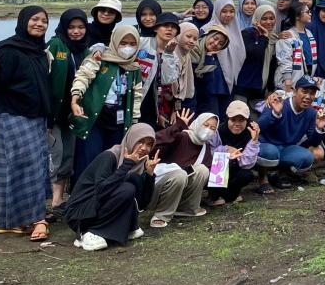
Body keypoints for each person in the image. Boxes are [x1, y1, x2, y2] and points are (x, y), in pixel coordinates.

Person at [0, 6, 53, 241]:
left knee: (34, 164)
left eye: (44, 21)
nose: (39, 24)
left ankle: (13, 221)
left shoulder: (40, 51)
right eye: (34, 19)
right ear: (23, 21)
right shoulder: (7, 48)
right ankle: (36, 219)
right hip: (10, 113)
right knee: (22, 165)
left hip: (34, 115)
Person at [62, 123, 157, 251]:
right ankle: (90, 233)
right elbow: (102, 190)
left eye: (149, 144)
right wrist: (126, 165)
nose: (144, 148)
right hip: (79, 213)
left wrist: (150, 175)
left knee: (132, 183)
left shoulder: (139, 164)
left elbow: (142, 204)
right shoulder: (110, 156)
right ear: (131, 139)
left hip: (96, 206)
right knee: (127, 188)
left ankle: (123, 228)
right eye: (140, 142)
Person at [69, 24, 143, 185]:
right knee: (89, 158)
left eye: (132, 44)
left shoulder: (134, 67)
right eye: (123, 43)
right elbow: (83, 77)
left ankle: (105, 198)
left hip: (118, 121)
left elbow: (137, 96)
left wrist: (134, 123)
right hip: (95, 119)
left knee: (112, 159)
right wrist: (75, 97)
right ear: (115, 41)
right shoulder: (98, 58)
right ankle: (81, 198)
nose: (127, 48)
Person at [46, 8, 89, 214]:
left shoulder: (86, 49)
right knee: (56, 154)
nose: (76, 31)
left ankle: (57, 201)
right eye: (71, 27)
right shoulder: (56, 45)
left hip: (73, 114)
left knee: (67, 157)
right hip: (54, 112)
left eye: (81, 27)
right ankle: (47, 201)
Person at [256, 78, 323, 190]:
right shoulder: (278, 102)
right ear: (294, 91)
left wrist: (319, 129)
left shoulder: (311, 113)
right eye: (304, 91)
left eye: (312, 93)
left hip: (287, 148)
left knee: (307, 157)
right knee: (270, 152)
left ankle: (280, 174)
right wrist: (275, 113)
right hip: (266, 145)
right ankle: (262, 178)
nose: (308, 96)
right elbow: (260, 126)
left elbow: (313, 142)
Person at [149, 108, 212, 228]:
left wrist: (228, 161)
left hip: (180, 186)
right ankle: (161, 215)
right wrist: (177, 126)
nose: (208, 130)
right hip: (159, 185)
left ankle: (186, 208)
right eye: (206, 125)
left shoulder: (205, 147)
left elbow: (212, 177)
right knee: (179, 174)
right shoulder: (182, 136)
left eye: (213, 128)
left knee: (203, 170)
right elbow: (156, 141)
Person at [207, 100, 261, 205]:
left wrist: (254, 142)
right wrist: (225, 150)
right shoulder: (218, 131)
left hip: (236, 169)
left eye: (241, 120)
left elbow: (247, 164)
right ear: (227, 119)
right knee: (220, 160)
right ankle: (214, 195)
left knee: (247, 174)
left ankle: (229, 195)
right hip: (217, 170)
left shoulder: (250, 134)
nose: (237, 124)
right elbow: (209, 153)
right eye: (233, 120)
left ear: (247, 121)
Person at [234, 2, 278, 105]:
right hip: (243, 86)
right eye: (264, 18)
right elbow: (255, 53)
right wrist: (264, 37)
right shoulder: (248, 33)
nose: (268, 22)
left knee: (256, 120)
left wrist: (270, 89)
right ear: (257, 20)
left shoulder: (274, 39)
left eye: (272, 18)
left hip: (260, 89)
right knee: (239, 118)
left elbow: (272, 66)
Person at [192, 23, 233, 125]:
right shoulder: (193, 49)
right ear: (208, 35)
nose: (216, 44)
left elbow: (206, 81)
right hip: (189, 98)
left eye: (220, 44)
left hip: (200, 97)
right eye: (215, 38)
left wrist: (209, 58)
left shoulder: (210, 56)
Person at [275, 3, 317, 89]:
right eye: (307, 12)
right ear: (297, 16)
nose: (310, 14)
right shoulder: (287, 35)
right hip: (291, 82)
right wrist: (288, 81)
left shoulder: (309, 33)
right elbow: (285, 60)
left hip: (306, 78)